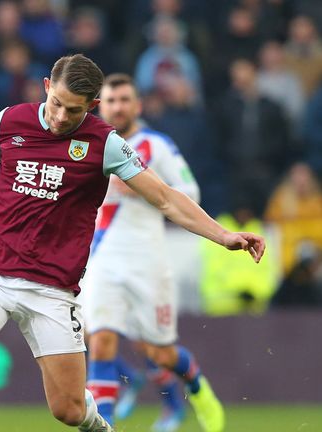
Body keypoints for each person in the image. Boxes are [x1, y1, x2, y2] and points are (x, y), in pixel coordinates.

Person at [0, 53, 265, 432]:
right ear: (46, 87)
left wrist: (224, 235)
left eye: (73, 111)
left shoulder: (105, 143)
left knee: (70, 411)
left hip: (51, 287)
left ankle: (101, 425)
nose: (60, 117)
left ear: (92, 106)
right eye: (56, 103)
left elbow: (164, 196)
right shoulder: (9, 121)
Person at [82, 73, 220, 432]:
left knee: (159, 352)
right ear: (101, 106)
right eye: (111, 100)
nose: (118, 106)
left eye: (125, 99)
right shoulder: (87, 145)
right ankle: (105, 424)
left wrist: (145, 188)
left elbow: (191, 191)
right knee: (101, 340)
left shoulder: (156, 146)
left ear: (137, 105)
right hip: (101, 260)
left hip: (148, 262)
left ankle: (196, 385)